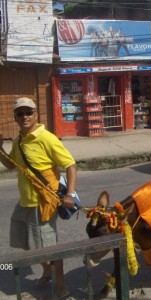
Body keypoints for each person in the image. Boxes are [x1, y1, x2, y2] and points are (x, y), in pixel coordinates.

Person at [0, 97, 77, 299]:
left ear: (35, 114)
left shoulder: (46, 138)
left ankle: (61, 288)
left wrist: (69, 193)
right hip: (25, 203)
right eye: (20, 113)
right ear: (15, 117)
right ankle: (46, 271)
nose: (24, 116)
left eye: (28, 112)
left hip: (44, 203)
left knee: (51, 248)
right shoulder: (18, 140)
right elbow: (11, 166)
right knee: (26, 242)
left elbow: (70, 165)